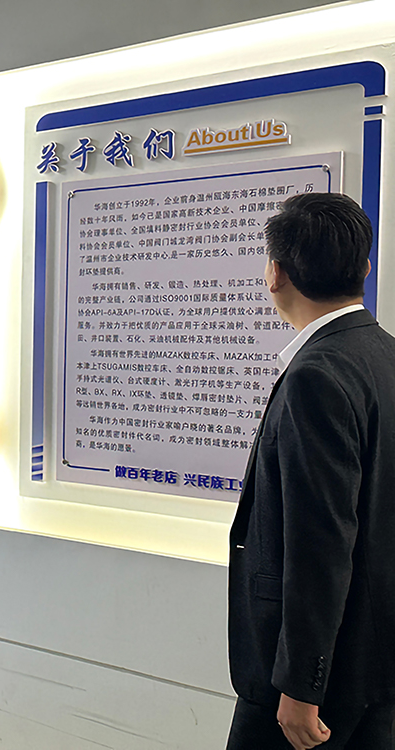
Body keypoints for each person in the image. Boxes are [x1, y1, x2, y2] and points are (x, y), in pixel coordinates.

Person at [227, 193, 395, 750]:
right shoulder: (385, 355)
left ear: (275, 273)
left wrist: (301, 684)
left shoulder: (316, 376)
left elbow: (320, 540)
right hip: (375, 664)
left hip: (320, 683)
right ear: (363, 268)